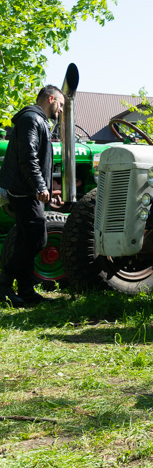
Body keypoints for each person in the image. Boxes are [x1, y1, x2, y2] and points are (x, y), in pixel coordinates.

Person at [0, 85, 65, 307]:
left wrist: (48, 189)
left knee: (26, 239)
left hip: (28, 189)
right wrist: (39, 187)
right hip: (23, 190)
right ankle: (4, 283)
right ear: (51, 99)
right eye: (61, 104)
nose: (61, 110)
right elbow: (28, 156)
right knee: (38, 238)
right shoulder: (31, 119)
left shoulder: (36, 120)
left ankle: (26, 291)